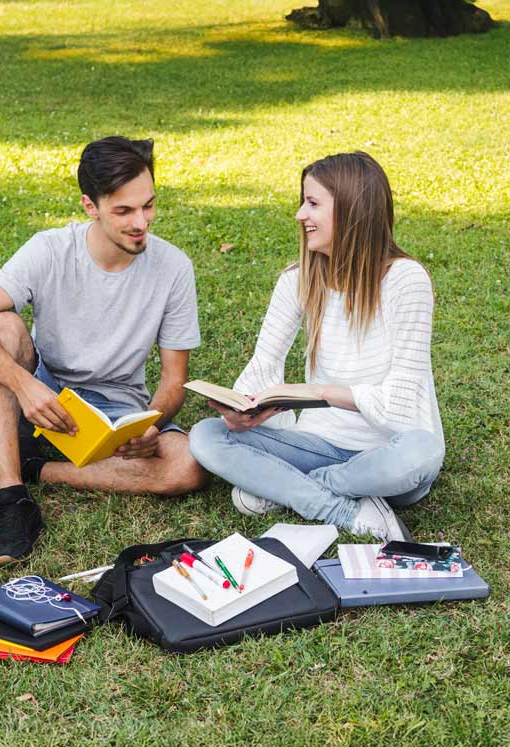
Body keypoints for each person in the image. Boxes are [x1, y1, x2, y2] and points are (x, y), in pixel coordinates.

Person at [0, 136, 206, 566]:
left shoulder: (174, 267)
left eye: (148, 205)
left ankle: (30, 468)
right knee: (1, 324)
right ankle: (13, 496)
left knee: (188, 468)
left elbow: (174, 379)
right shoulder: (51, 249)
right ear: (90, 206)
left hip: (119, 413)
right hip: (44, 399)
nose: (141, 222)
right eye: (124, 211)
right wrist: (26, 388)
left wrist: (154, 424)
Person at [189, 152, 444, 540]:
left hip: (388, 453)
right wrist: (242, 409)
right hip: (318, 444)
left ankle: (289, 486)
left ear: (351, 209)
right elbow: (264, 364)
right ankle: (341, 508)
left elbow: (403, 406)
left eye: (313, 203)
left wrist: (319, 392)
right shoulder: (297, 280)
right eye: (302, 201)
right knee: (206, 436)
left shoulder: (405, 280)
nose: (299, 215)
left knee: (421, 453)